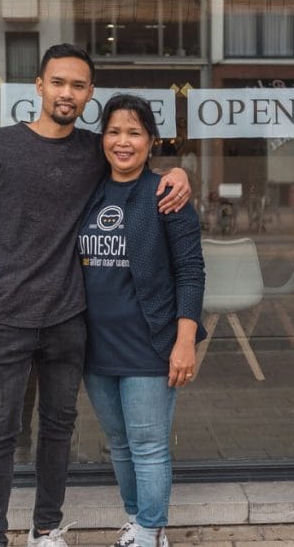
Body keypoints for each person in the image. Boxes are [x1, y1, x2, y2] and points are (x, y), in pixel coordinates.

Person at [0, 44, 191, 547]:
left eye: (78, 86)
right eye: (58, 82)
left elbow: (138, 162)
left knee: (59, 428)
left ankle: (45, 528)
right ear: (38, 86)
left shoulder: (93, 149)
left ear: (89, 94)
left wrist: (178, 172)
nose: (67, 93)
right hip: (8, 316)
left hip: (69, 319)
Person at [77, 94, 205, 547]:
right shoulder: (86, 191)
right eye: (114, 131)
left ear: (151, 141)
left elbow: (191, 272)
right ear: (102, 139)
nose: (123, 142)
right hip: (94, 344)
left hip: (151, 342)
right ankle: (136, 520)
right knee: (119, 444)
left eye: (134, 132)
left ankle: (152, 531)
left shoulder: (168, 193)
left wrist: (185, 339)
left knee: (149, 446)